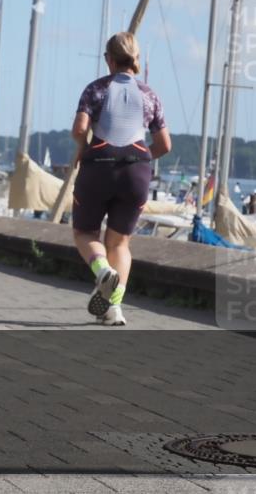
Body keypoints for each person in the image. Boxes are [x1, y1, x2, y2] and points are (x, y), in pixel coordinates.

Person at [70, 32, 171, 327]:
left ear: (109, 60)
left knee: (85, 233)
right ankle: (114, 309)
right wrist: (138, 159)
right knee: (120, 243)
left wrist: (85, 149)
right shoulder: (150, 95)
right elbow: (164, 145)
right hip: (136, 171)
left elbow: (79, 129)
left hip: (98, 166)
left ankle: (102, 271)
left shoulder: (95, 90)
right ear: (136, 59)